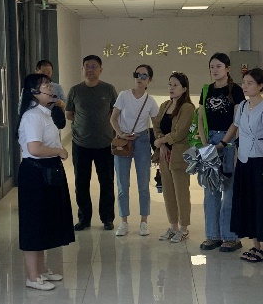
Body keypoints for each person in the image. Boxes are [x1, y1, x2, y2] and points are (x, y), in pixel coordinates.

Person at [16, 73, 75, 290]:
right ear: (34, 92)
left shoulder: (45, 113)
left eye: (50, 86)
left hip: (47, 171)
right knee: (34, 223)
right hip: (35, 173)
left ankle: (41, 270)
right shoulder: (32, 116)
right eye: (46, 86)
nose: (51, 89)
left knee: (44, 221)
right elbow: (34, 148)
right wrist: (59, 151)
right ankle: (32, 277)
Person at [223, 67, 263, 262]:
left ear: (260, 86)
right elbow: (237, 129)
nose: (245, 86)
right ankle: (255, 245)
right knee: (248, 203)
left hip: (260, 161)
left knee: (261, 202)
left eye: (250, 83)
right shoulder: (243, 106)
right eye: (244, 83)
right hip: (244, 161)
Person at [198, 53, 246, 252]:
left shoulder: (236, 90)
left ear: (227, 68)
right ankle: (212, 235)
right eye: (212, 67)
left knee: (229, 189)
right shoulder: (206, 90)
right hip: (209, 142)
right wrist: (205, 144)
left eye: (218, 66)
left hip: (229, 142)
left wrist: (224, 142)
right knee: (210, 189)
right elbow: (200, 118)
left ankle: (230, 237)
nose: (215, 70)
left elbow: (237, 120)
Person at [65, 55, 117, 231]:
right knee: (81, 183)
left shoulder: (108, 89)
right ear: (82, 69)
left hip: (105, 144)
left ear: (101, 70)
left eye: (94, 66)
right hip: (81, 144)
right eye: (87, 66)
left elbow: (115, 112)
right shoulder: (75, 90)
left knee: (107, 183)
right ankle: (84, 218)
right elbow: (69, 113)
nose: (90, 69)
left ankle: (107, 218)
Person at [110, 64, 158, 237]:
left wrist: (159, 144)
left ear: (149, 80)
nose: (139, 78)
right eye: (137, 74)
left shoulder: (150, 101)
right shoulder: (123, 95)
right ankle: (123, 221)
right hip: (124, 140)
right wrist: (120, 133)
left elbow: (156, 125)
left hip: (142, 141)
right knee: (122, 184)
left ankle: (144, 221)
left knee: (143, 183)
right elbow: (113, 118)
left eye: (144, 76)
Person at [152, 72, 196, 243]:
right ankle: (173, 226)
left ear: (184, 88)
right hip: (164, 155)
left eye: (175, 85)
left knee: (181, 192)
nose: (171, 88)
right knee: (168, 192)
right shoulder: (165, 105)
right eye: (170, 84)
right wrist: (161, 144)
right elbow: (156, 126)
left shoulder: (187, 108)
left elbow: (179, 133)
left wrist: (161, 140)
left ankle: (184, 228)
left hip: (179, 155)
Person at [36, 59, 67, 128]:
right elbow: (22, 107)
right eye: (43, 72)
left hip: (53, 123)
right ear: (37, 72)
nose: (46, 75)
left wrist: (61, 104)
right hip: (36, 123)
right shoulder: (29, 88)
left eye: (49, 73)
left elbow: (65, 103)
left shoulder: (57, 87)